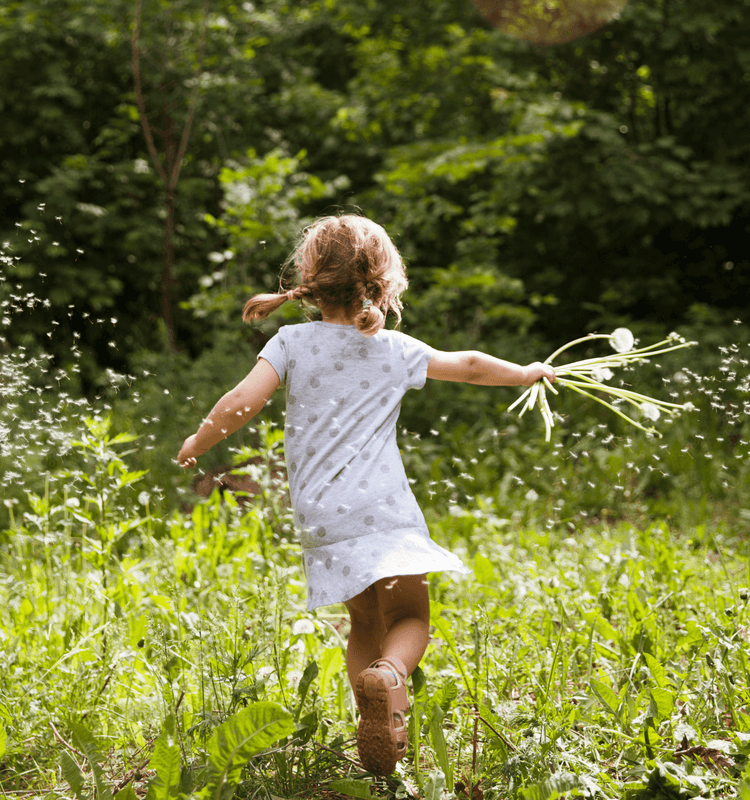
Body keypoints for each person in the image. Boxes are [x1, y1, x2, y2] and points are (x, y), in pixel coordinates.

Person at [177, 214, 555, 776]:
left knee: (364, 622)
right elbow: (470, 365)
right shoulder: (394, 348)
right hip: (384, 509)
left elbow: (241, 401)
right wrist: (526, 372)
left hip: (322, 516)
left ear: (309, 278)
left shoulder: (291, 341)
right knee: (410, 618)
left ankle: (373, 729)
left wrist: (199, 439)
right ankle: (391, 680)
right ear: (382, 281)